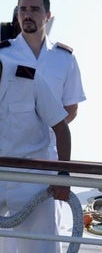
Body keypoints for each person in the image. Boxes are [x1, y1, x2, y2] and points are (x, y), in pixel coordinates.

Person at [3, 0, 85, 247]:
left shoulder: (63, 58)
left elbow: (69, 110)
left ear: (48, 15)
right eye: (23, 10)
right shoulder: (4, 55)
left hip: (43, 157)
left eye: (34, 9)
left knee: (42, 241)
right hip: (4, 157)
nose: (27, 15)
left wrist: (46, 129)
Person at [0, 54, 71, 253]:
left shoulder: (27, 78)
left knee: (40, 247)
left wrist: (63, 176)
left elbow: (61, 127)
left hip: (32, 177)